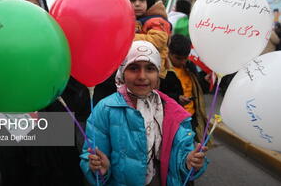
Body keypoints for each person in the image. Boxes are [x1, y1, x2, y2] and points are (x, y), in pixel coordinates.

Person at [80, 40, 208, 185]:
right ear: (122, 72)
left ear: (158, 72)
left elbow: (181, 155)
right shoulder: (105, 109)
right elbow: (90, 154)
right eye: (133, 68)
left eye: (150, 68)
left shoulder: (173, 111)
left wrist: (188, 162)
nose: (142, 76)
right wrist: (98, 168)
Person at [160, 35, 210, 145]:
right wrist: (177, 98)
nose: (183, 61)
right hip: (173, 120)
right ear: (168, 52)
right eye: (178, 58)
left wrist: (205, 81)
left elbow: (198, 88)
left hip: (192, 117)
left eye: (185, 57)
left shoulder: (189, 65)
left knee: (191, 149)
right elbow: (158, 94)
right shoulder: (162, 70)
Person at [126, 0, 171, 79]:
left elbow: (157, 41)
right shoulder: (133, 19)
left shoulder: (156, 19)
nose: (137, 4)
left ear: (149, 0)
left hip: (154, 73)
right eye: (133, 0)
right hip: (138, 69)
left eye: (142, 0)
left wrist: (128, 38)